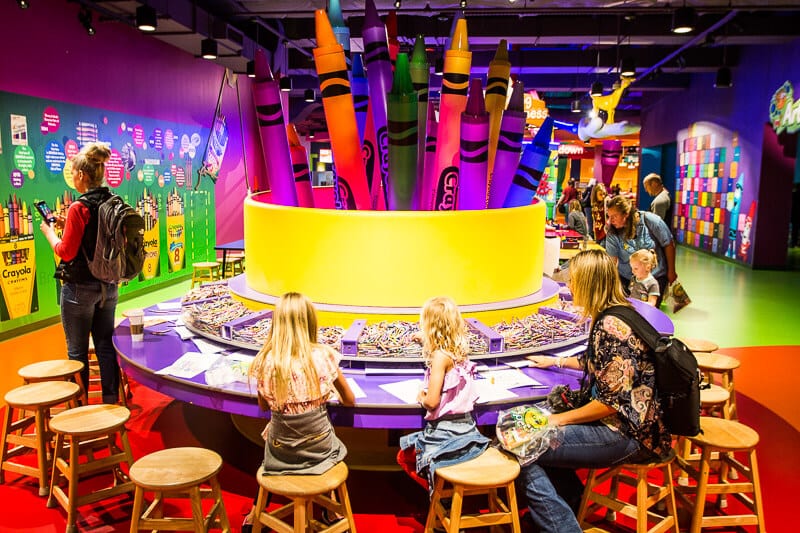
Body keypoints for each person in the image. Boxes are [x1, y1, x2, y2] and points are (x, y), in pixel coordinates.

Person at [522, 249, 672, 533]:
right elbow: (604, 365)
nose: (569, 286)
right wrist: (556, 361)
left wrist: (556, 420)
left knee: (526, 445)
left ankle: (563, 526)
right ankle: (570, 502)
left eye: (574, 280)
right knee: (539, 434)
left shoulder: (611, 326)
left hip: (627, 434)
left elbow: (609, 404)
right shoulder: (619, 313)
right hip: (634, 427)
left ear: (589, 283)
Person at [245, 292, 356, 531]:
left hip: (280, 455)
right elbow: (349, 400)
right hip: (320, 452)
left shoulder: (265, 361)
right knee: (331, 442)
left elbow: (264, 406)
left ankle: (256, 512)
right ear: (310, 322)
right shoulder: (324, 356)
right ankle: (330, 509)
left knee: (272, 437)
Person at [39, 142, 119, 405]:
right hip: (109, 286)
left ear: (82, 175)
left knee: (77, 351)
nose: (72, 177)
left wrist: (50, 233)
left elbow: (66, 252)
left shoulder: (79, 207)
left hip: (79, 289)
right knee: (106, 345)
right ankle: (111, 402)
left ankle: (80, 408)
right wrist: (69, 225)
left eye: (73, 172)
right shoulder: (113, 201)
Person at [399, 296, 490, 492]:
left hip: (444, 434)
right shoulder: (459, 352)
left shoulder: (439, 358)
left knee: (403, 455)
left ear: (429, 327)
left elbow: (432, 402)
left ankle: (441, 492)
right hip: (468, 430)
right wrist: (425, 340)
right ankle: (446, 487)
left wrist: (421, 396)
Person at [604, 194, 677, 307]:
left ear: (626, 214)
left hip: (654, 276)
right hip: (628, 278)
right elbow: (612, 261)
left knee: (649, 312)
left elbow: (668, 244)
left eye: (614, 216)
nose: (610, 221)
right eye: (608, 216)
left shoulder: (651, 221)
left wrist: (671, 271)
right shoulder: (613, 233)